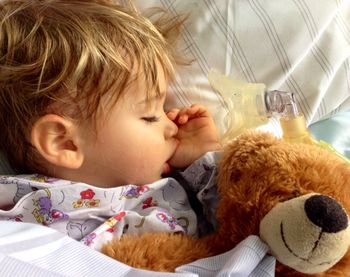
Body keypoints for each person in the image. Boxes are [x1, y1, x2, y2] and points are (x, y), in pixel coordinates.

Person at [0, 0, 221, 253]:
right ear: (64, 142)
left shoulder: (173, 191)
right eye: (149, 116)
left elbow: (240, 226)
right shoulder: (17, 214)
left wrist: (204, 160)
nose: (172, 126)